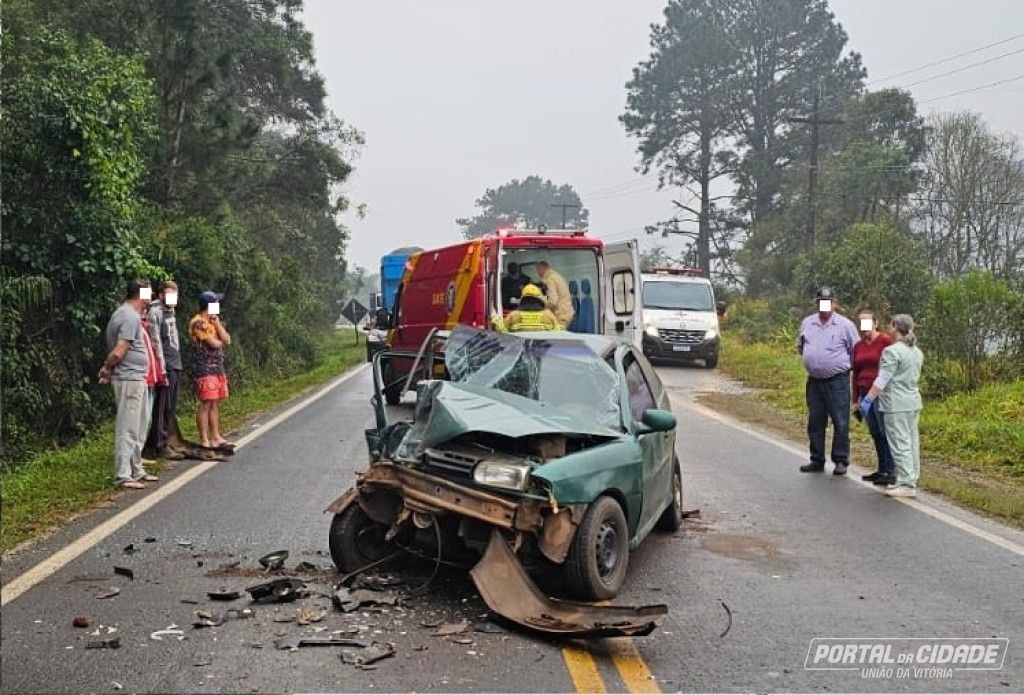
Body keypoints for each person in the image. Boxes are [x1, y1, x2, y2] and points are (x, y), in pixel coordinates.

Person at [98, 279, 160, 489]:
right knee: (128, 427)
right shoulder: (129, 316)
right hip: (129, 378)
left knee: (138, 425)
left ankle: (136, 469)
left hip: (135, 377)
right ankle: (123, 474)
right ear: (141, 295)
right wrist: (107, 368)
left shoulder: (126, 315)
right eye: (149, 294)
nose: (150, 298)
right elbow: (119, 350)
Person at [796, 286, 860, 475]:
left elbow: (856, 351)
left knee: (840, 421)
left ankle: (840, 459)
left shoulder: (845, 325)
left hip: (837, 381)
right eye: (820, 302)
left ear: (834, 304)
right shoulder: (807, 323)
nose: (824, 306)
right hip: (814, 381)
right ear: (815, 304)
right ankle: (817, 459)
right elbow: (801, 346)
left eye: (828, 302)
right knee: (815, 421)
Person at [858, 314, 924, 498]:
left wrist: (867, 400)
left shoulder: (892, 352)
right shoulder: (916, 352)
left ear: (895, 326)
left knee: (899, 442)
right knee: (911, 442)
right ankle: (911, 477)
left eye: (891, 325)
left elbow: (883, 379)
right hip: (912, 401)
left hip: (896, 403)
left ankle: (906, 482)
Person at [851, 309, 895, 486]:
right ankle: (882, 468)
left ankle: (891, 471)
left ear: (875, 323)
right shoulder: (858, 346)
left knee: (885, 432)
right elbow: (855, 373)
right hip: (864, 392)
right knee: (875, 432)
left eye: (867, 322)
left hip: (880, 393)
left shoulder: (885, 341)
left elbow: (893, 364)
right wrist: (855, 400)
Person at [188, 290, 233, 449]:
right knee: (205, 403)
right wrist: (219, 339)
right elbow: (214, 343)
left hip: (217, 368)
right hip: (204, 369)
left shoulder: (213, 322)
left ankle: (216, 436)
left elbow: (227, 340)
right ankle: (204, 439)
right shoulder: (198, 323)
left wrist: (218, 323)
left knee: (215, 403)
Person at [146, 280, 185, 460]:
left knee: (170, 407)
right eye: (168, 294)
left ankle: (162, 441)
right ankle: (159, 445)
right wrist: (161, 369)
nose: (172, 299)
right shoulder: (156, 312)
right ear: (160, 295)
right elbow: (156, 342)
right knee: (162, 407)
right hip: (166, 365)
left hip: (175, 362)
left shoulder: (171, 311)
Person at [491, 284, 563, 332]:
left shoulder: (514, 315)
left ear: (523, 299)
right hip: (543, 352)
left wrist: (494, 317)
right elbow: (557, 332)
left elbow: (501, 329)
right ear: (539, 299)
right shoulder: (548, 315)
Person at [536, 260, 574, 327]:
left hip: (561, 314)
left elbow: (553, 302)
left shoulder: (549, 279)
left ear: (543, 268)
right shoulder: (556, 275)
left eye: (538, 269)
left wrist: (542, 303)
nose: (537, 272)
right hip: (566, 312)